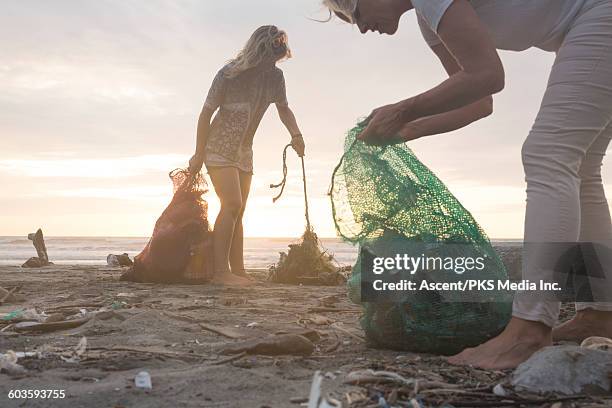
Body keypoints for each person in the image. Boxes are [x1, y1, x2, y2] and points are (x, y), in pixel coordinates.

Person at [322, 0, 612, 369]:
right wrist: (406, 130)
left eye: (354, 12)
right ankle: (600, 314)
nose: (359, 26)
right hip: (588, 24)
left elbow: (489, 74)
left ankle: (530, 329)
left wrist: (401, 110)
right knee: (581, 167)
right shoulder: (431, 23)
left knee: (548, 155)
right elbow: (479, 102)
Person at [189, 25, 306, 286]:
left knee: (239, 211)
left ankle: (238, 271)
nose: (273, 64)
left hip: (244, 151)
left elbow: (284, 109)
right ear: (260, 51)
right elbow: (206, 113)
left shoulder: (276, 78)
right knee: (231, 204)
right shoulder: (228, 74)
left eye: (277, 59)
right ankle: (221, 274)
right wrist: (198, 153)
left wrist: (296, 135)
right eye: (271, 58)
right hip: (218, 147)